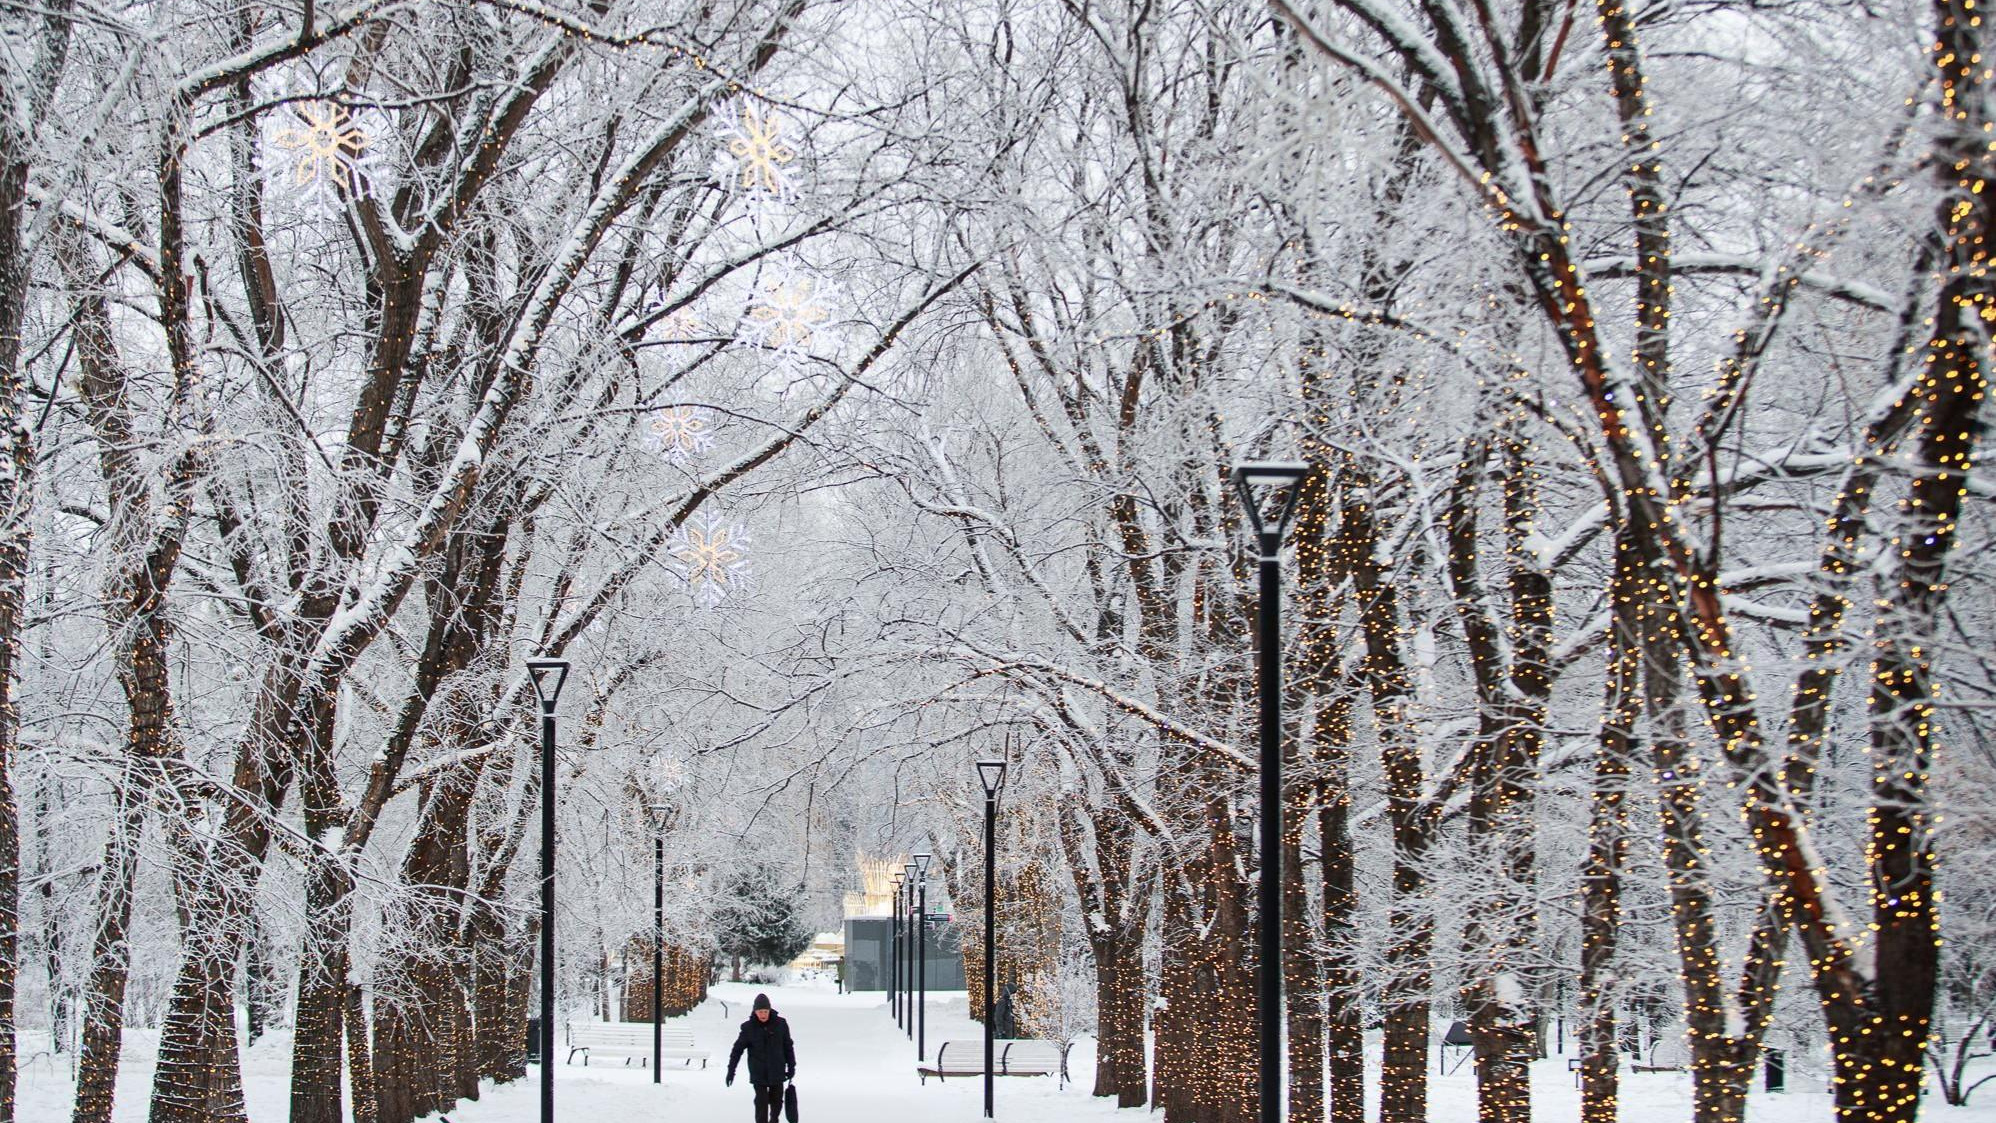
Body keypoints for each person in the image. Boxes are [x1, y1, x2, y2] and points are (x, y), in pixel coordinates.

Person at [726, 992, 796, 1123]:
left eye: (765, 1011)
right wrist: (731, 1071)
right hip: (758, 1072)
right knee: (761, 1103)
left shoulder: (780, 1024)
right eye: (760, 1012)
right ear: (755, 1012)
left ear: (769, 1010)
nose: (763, 1015)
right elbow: (737, 1050)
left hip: (777, 1070)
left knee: (777, 1102)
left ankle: (774, 1120)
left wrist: (791, 1066)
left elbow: (788, 1047)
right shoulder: (748, 1028)